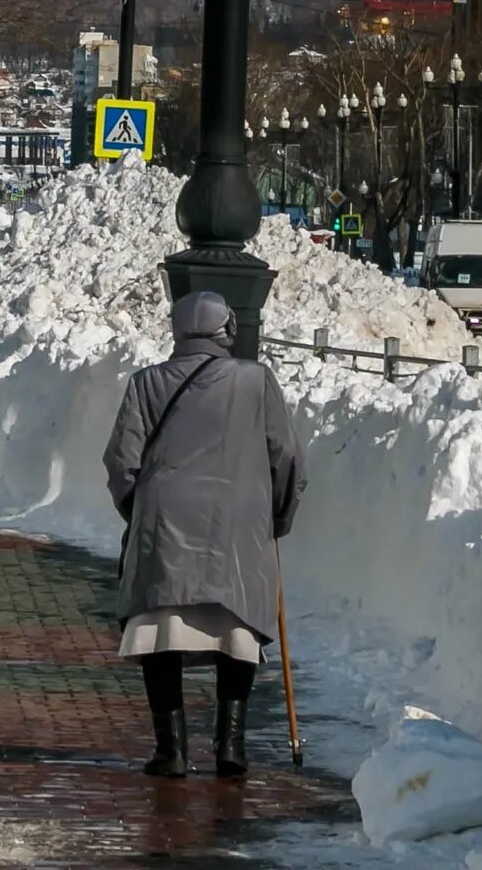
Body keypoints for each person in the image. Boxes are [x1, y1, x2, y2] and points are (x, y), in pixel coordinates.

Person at [103, 292, 307, 781]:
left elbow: (121, 462)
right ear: (226, 329)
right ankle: (230, 745)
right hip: (239, 521)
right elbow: (288, 456)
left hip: (165, 517)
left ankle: (171, 751)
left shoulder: (146, 383)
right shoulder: (256, 380)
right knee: (235, 629)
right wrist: (277, 514)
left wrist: (141, 510)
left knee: (162, 628)